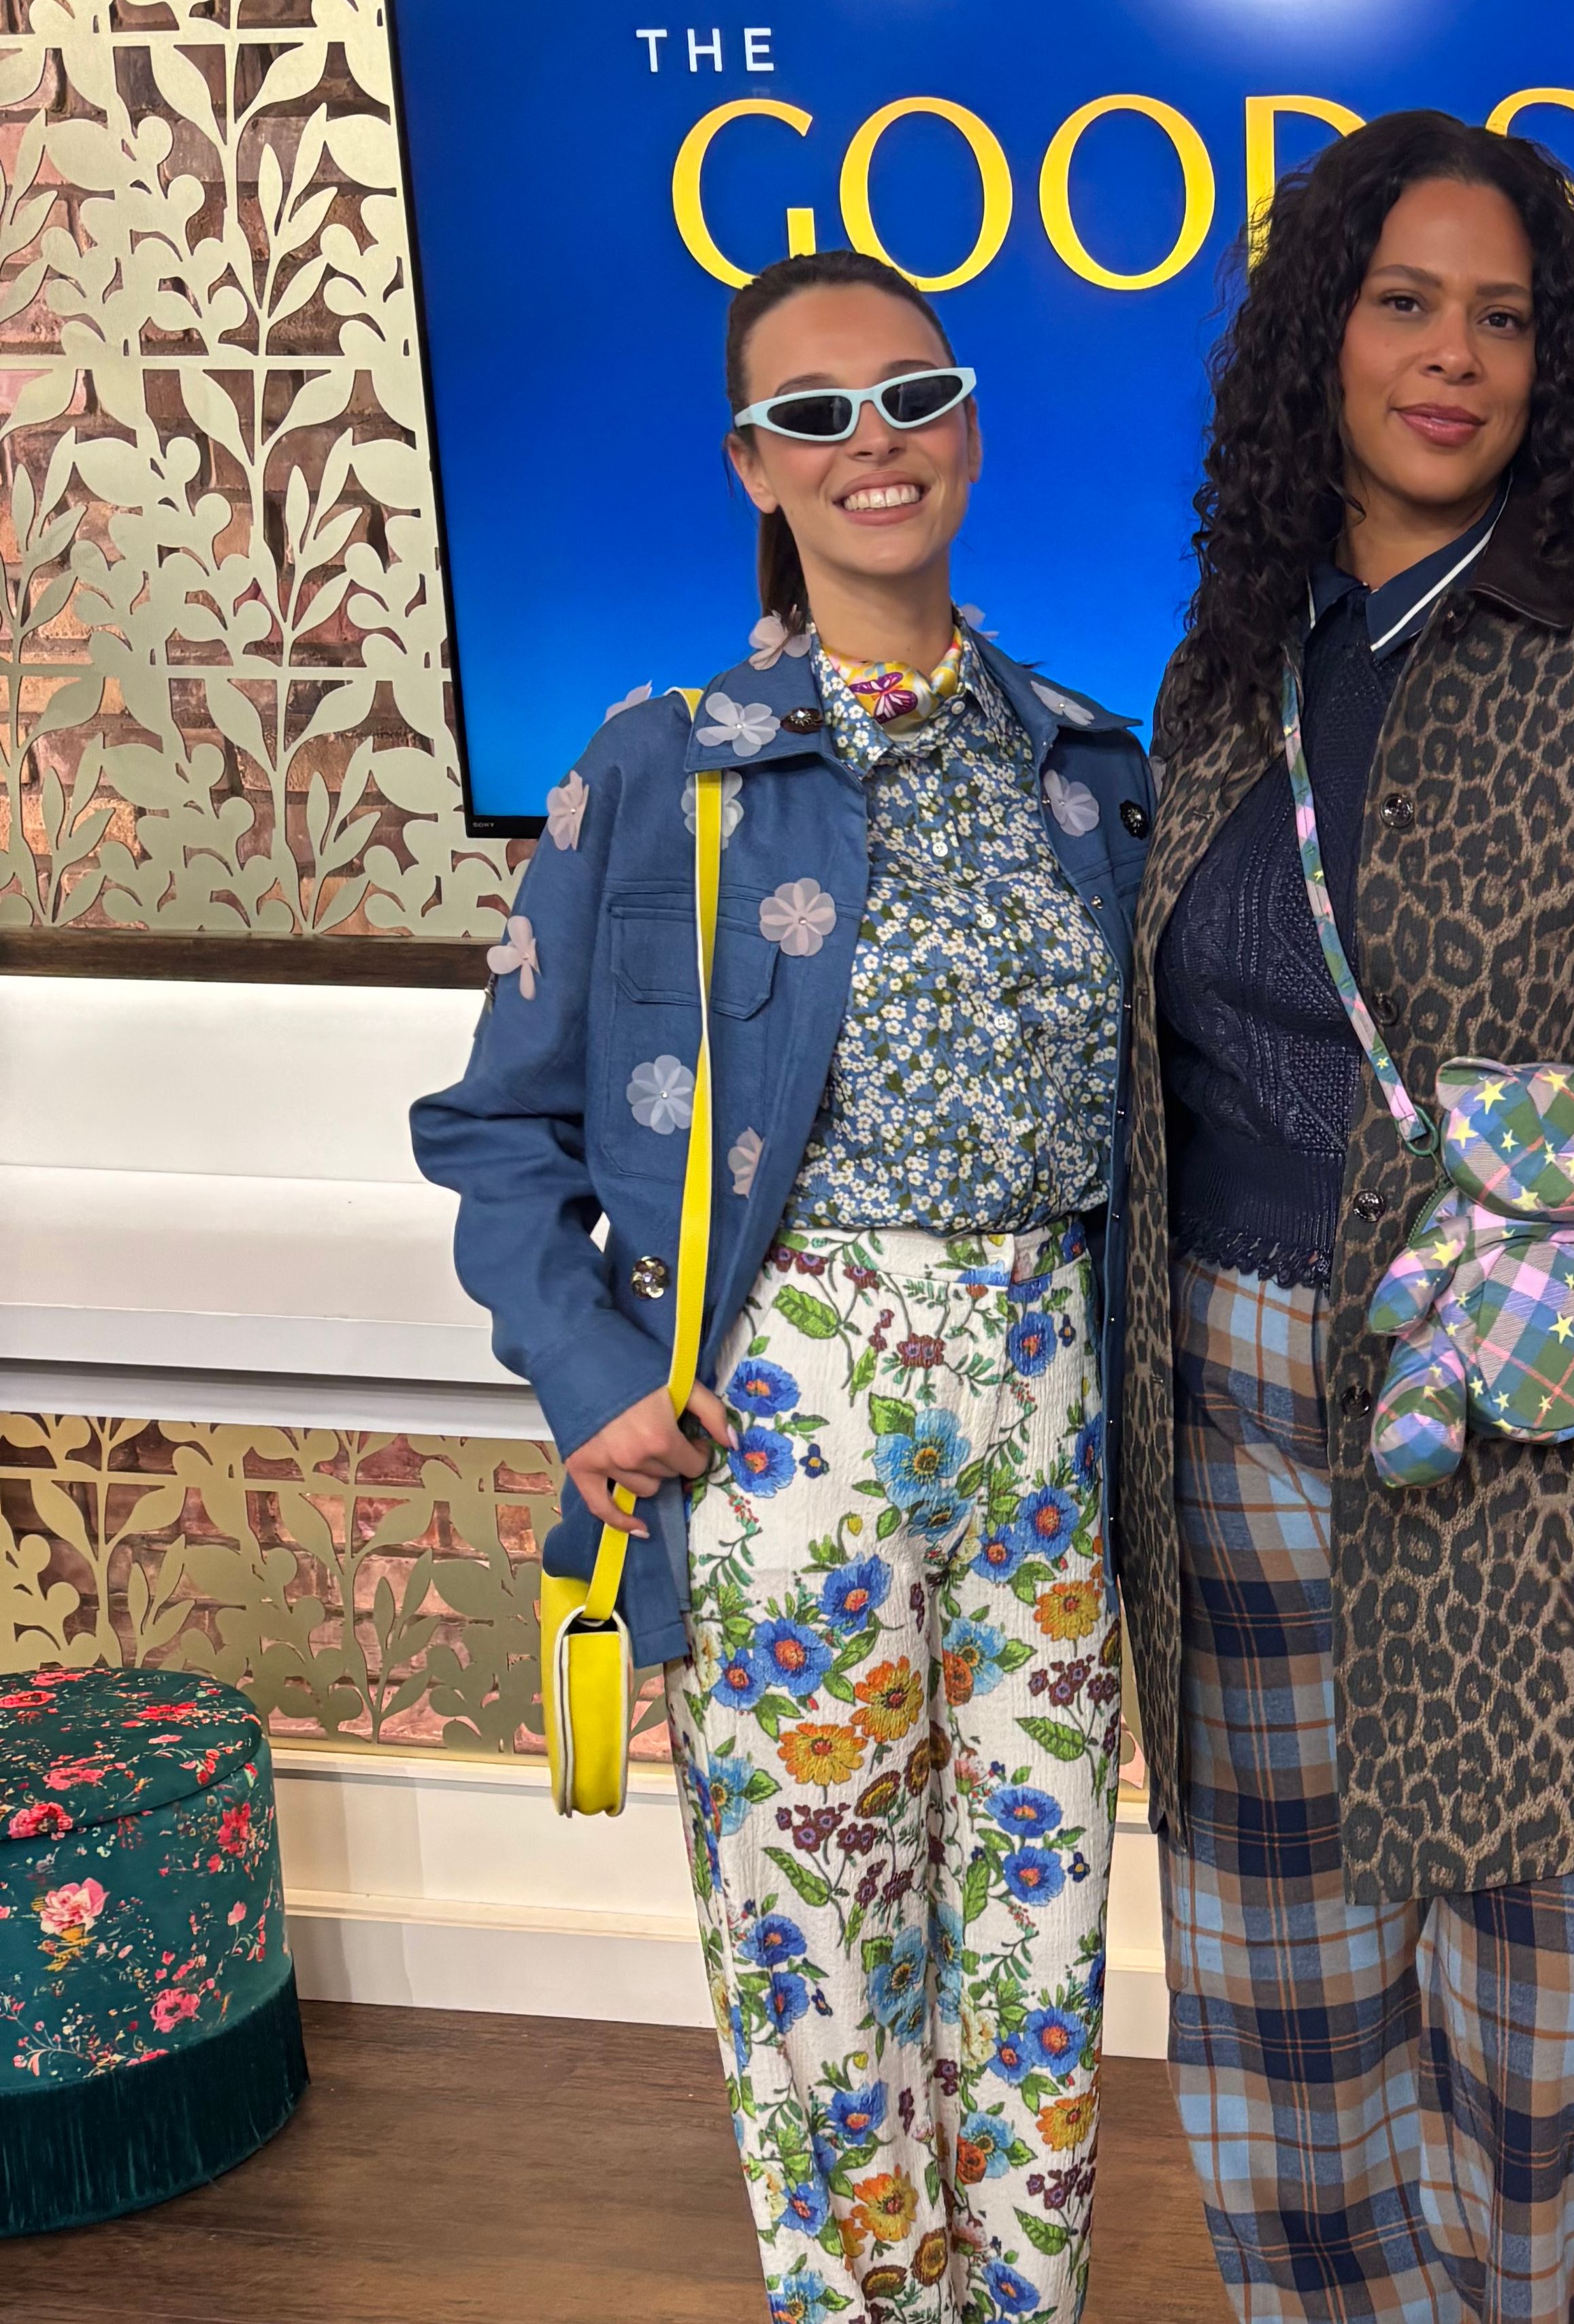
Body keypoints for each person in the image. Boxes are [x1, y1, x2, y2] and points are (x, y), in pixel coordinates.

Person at [412, 250, 1151, 2324]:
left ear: (970, 425)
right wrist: (589, 1377)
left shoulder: (1088, 771)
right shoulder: (662, 767)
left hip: (1053, 1420)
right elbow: (495, 1128)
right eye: (810, 415)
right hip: (785, 1435)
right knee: (823, 1961)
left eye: (909, 396)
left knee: (1034, 1953)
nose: (869, 446)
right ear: (753, 463)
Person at [1111, 110, 1574, 2324]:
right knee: (1280, 1987)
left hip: (1534, 1428)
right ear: (1315, 336)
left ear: (1551, 366)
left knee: (1551, 2009)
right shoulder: (1232, 663)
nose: (1451, 357)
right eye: (1402, 303)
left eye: (1502, 319)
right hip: (1226, 1409)